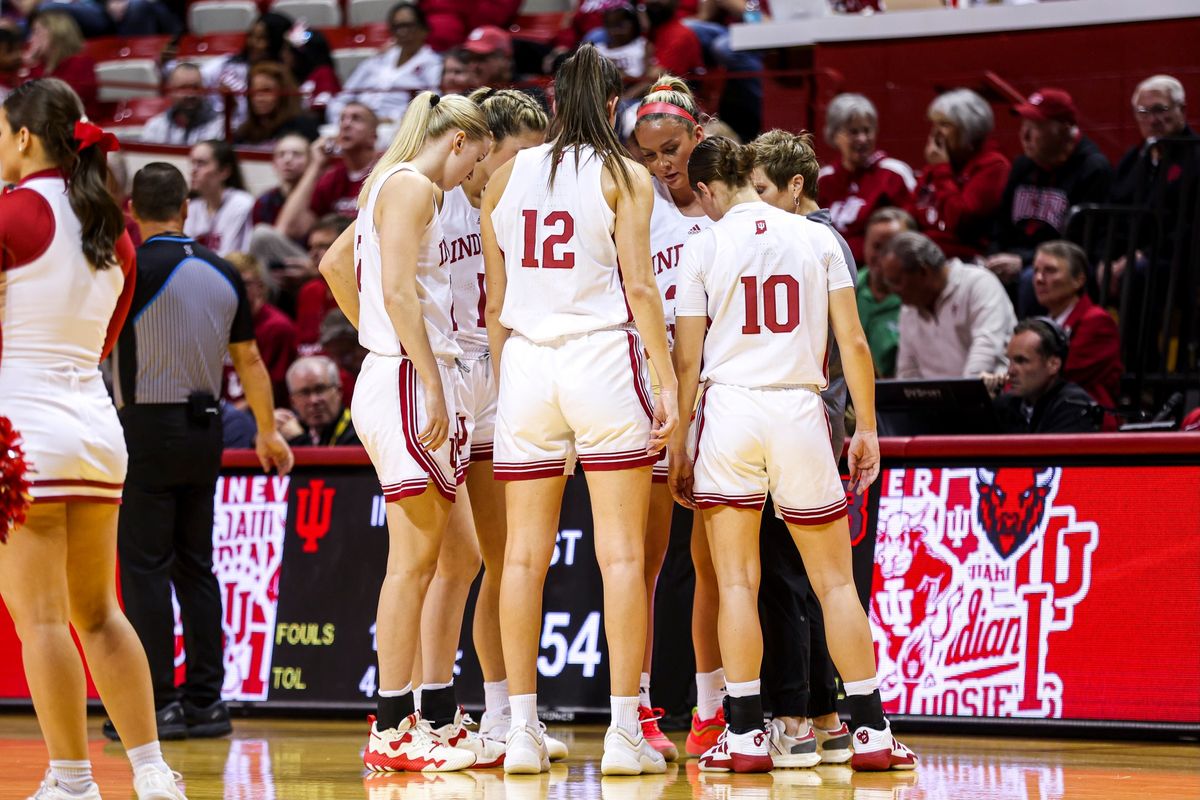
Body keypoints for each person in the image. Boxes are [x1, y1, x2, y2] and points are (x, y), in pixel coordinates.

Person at [668, 136, 916, 772]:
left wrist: (678, 442)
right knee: (835, 583)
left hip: (730, 412)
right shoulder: (816, 237)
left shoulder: (704, 242)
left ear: (706, 189)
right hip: (800, 409)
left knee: (736, 583)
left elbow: (688, 360)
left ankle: (748, 734)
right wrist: (866, 429)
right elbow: (854, 342)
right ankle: (871, 731)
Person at [480, 45, 677, 776]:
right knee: (622, 555)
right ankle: (626, 731)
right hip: (600, 357)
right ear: (617, 105)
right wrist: (667, 383)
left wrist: (513, 387)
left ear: (556, 102)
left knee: (522, 559)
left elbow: (495, 305)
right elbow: (642, 290)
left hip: (528, 365)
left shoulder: (503, 178)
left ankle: (522, 731)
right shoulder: (625, 176)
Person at [0, 77, 189, 800]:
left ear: (24, 136)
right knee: (99, 612)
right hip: (95, 429)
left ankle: (73, 779)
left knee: (41, 619)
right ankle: (152, 772)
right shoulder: (113, 224)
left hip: (23, 432)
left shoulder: (11, 213)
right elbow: (110, 337)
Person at [323, 91, 491, 772]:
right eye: (474, 162)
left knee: (460, 557)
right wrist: (425, 379)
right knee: (414, 562)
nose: (470, 178)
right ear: (456, 143)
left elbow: (345, 271)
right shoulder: (414, 185)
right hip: (406, 379)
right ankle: (392, 723)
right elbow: (395, 293)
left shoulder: (391, 185)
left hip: (408, 371)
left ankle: (438, 712)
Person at [107, 162, 293, 752]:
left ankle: (157, 704)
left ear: (133, 210)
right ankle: (207, 703)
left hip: (143, 427)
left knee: (143, 570)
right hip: (206, 429)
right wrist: (267, 432)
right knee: (197, 566)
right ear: (186, 208)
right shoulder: (223, 271)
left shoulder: (128, 269)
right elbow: (251, 363)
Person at [423, 88, 559, 759]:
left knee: (505, 559)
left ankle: (501, 714)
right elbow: (341, 266)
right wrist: (396, 347)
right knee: (445, 558)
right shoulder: (428, 196)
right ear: (481, 148)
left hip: (504, 379)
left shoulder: (525, 208)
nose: (530, 167)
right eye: (518, 154)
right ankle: (420, 710)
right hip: (443, 379)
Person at [747, 127, 863, 767]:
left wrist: (836, 419)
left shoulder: (816, 241)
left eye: (762, 188)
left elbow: (842, 348)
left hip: (801, 419)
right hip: (812, 420)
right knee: (813, 580)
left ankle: (797, 713)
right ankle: (825, 714)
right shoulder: (805, 239)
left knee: (790, 579)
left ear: (796, 186)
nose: (754, 201)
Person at [630, 75, 714, 762]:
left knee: (725, 565)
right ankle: (643, 709)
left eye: (673, 148)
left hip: (729, 394)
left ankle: (722, 709)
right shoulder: (634, 203)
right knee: (649, 563)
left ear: (699, 134)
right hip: (658, 399)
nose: (663, 164)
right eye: (649, 152)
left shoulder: (731, 200)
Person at [985, 88, 1112, 316]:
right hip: (1018, 259)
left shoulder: (1093, 169)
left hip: (1067, 266)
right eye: (1024, 126)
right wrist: (994, 257)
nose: (1024, 136)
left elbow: (1078, 245)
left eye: (1036, 127)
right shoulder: (1023, 166)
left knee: (1031, 281)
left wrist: (1024, 261)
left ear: (1063, 130)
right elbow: (1000, 224)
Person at [884, 231, 1016, 379]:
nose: (892, 291)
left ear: (923, 271)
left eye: (896, 282)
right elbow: (907, 371)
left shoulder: (979, 284)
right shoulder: (908, 309)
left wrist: (962, 395)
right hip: (935, 399)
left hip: (988, 394)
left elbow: (987, 350)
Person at [911, 88, 1010, 260]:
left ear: (969, 130)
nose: (935, 133)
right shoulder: (942, 164)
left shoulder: (993, 166)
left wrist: (942, 169)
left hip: (964, 258)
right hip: (927, 251)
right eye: (934, 124)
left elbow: (960, 222)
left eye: (944, 125)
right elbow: (914, 209)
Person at [818, 93, 916, 264]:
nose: (862, 139)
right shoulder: (823, 179)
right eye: (853, 132)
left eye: (867, 130)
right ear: (834, 135)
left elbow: (911, 230)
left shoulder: (893, 174)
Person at [1031, 240, 1122, 412]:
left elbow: (1060, 374)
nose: (1038, 279)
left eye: (1050, 271)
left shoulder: (1097, 322)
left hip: (1083, 422)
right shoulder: (1039, 325)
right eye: (1036, 271)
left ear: (1078, 280)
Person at [277, 102, 380, 241]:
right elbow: (289, 229)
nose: (346, 125)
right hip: (329, 255)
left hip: (370, 251)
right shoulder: (332, 177)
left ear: (373, 136)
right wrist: (315, 166)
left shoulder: (384, 171)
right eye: (342, 119)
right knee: (264, 237)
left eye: (356, 119)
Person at [328, 2, 442, 124]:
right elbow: (345, 95)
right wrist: (342, 119)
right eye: (397, 27)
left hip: (399, 128)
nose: (402, 32)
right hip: (357, 124)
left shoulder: (433, 64)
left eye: (408, 26)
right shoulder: (377, 60)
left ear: (424, 29)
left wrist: (395, 120)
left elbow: (433, 104)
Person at [989, 319, 1102, 434]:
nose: (1010, 371)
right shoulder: (1006, 404)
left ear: (1053, 364)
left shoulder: (1073, 405)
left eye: (1021, 361)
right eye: (1010, 361)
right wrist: (983, 405)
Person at [226, 252, 299, 406]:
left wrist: (230, 415)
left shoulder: (277, 328)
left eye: (244, 284)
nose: (236, 289)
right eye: (229, 282)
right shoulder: (218, 324)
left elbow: (273, 393)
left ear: (260, 286)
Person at [856, 208, 916, 378]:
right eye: (876, 246)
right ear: (865, 246)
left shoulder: (921, 300)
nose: (884, 256)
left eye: (893, 247)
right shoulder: (843, 289)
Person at [184, 140, 255, 257]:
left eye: (201, 163)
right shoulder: (192, 207)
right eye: (192, 163)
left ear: (224, 171)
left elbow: (231, 258)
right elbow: (184, 253)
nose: (193, 170)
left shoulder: (242, 204)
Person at [22, 11, 97, 117]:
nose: (31, 39)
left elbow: (65, 102)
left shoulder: (81, 63)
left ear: (55, 33)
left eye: (36, 32)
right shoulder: (37, 67)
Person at [295, 215, 353, 351]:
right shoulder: (309, 291)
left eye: (323, 246)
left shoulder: (362, 291)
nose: (313, 254)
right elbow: (301, 346)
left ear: (348, 249)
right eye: (311, 247)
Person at [275, 355, 361, 446]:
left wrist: (298, 440)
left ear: (339, 391)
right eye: (305, 393)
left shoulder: (358, 431)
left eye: (320, 389)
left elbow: (329, 460)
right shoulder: (292, 428)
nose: (314, 400)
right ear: (293, 402)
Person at [234, 61, 319, 146]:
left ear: (284, 94)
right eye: (254, 92)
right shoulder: (243, 133)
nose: (259, 98)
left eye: (266, 90)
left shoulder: (303, 127)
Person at [141, 63, 226, 147]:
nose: (190, 94)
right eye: (183, 88)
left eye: (195, 88)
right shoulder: (155, 127)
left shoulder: (219, 127)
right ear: (171, 91)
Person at [254, 133, 312, 229]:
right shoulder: (264, 202)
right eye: (281, 154)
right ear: (274, 163)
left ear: (310, 161)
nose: (287, 159)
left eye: (296, 154)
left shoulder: (318, 199)